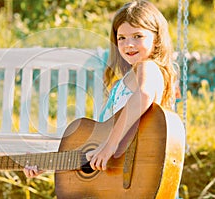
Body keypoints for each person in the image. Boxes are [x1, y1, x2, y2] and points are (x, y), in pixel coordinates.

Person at [23, 0, 177, 177]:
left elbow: (143, 95)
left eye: (138, 36)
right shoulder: (128, 78)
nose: (129, 44)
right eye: (122, 38)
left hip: (130, 171)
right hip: (115, 174)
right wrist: (48, 162)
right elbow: (99, 144)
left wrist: (109, 146)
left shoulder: (147, 67)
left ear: (156, 38)